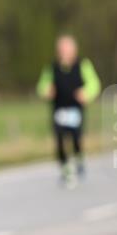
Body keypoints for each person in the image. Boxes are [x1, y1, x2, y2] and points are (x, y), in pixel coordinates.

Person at [37, 35, 101, 188]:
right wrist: (46, 91)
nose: (64, 52)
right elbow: (42, 85)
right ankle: (66, 169)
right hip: (59, 109)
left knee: (76, 139)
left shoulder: (83, 65)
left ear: (74, 50)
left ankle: (79, 159)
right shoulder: (51, 68)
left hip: (75, 110)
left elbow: (94, 83)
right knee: (59, 140)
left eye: (67, 49)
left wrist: (86, 93)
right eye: (62, 49)